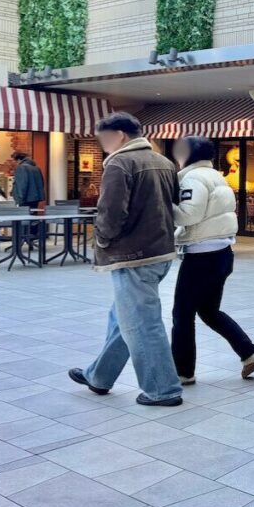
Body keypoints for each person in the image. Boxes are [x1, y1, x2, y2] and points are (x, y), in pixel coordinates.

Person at [68, 112, 183, 407]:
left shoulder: (119, 163)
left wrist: (102, 240)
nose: (103, 144)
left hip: (132, 256)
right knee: (123, 317)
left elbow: (110, 212)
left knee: (142, 323)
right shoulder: (164, 161)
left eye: (104, 138)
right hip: (160, 251)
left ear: (119, 135)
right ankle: (99, 376)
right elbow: (173, 204)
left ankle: (163, 389)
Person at [171, 135, 254, 384]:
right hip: (222, 253)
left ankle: (183, 372)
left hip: (201, 256)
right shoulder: (216, 176)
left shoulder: (192, 178)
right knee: (208, 311)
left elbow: (188, 215)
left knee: (182, 314)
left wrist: (163, 204)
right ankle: (249, 352)